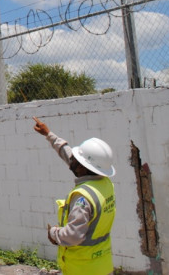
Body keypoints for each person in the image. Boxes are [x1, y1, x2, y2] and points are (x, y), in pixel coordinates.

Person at [33, 117, 116, 275]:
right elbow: (69, 156)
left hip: (82, 268)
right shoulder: (105, 185)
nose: (73, 160)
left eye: (77, 160)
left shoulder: (83, 197)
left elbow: (73, 236)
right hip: (102, 265)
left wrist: (54, 234)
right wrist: (49, 134)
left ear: (84, 167)